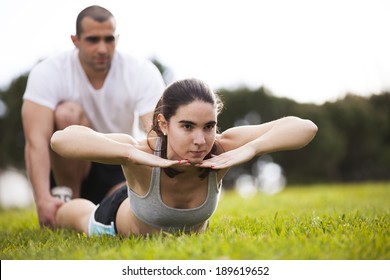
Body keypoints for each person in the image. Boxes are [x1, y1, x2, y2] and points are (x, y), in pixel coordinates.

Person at [50, 78, 318, 237]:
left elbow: (305, 127)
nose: (200, 140)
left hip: (139, 200)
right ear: (164, 124)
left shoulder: (223, 149)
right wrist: (132, 155)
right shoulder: (141, 151)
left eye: (209, 126)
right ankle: (59, 204)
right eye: (187, 127)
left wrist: (251, 148)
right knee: (75, 215)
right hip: (113, 222)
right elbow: (61, 140)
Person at [21, 5, 165, 229]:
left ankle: (94, 209)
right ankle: (69, 202)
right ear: (75, 40)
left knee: (125, 209)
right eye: (92, 40)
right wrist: (42, 200)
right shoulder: (48, 72)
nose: (102, 48)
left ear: (117, 38)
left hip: (116, 161)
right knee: (67, 113)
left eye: (109, 39)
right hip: (68, 167)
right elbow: (35, 141)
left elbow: (156, 134)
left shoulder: (141, 72)